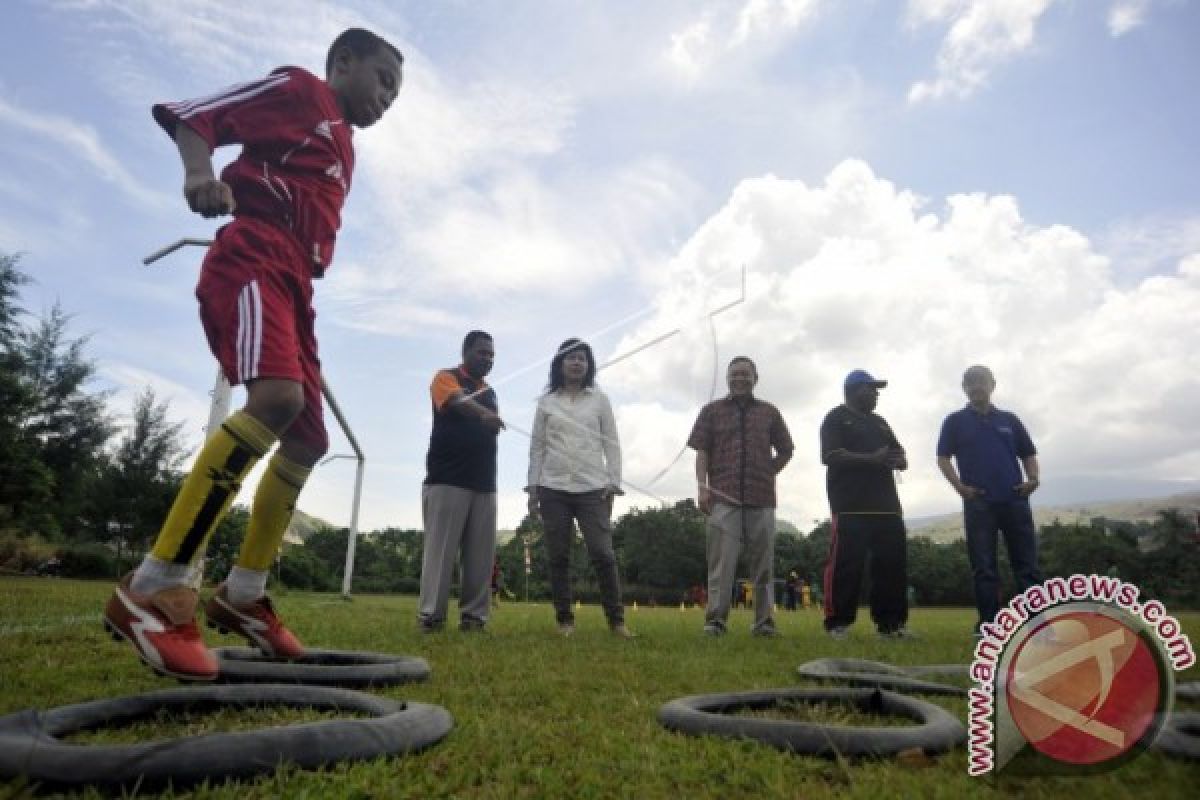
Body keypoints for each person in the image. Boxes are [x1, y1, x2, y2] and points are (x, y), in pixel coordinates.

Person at [103, 29, 404, 680]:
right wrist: (199, 174)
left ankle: (243, 597)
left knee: (308, 437)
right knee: (275, 400)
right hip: (253, 257)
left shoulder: (344, 143)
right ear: (343, 63)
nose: (388, 98)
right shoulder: (301, 90)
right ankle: (154, 586)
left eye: (396, 93)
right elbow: (197, 116)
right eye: (382, 80)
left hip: (297, 286)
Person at [527, 339, 634, 638]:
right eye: (571, 358)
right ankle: (565, 621)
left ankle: (617, 622)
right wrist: (533, 488)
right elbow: (537, 447)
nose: (576, 363)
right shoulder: (546, 402)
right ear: (559, 364)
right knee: (558, 557)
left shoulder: (600, 400)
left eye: (582, 359)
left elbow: (612, 443)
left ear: (588, 365)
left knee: (603, 554)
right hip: (552, 487)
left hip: (592, 488)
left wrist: (614, 482)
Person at [688, 356, 794, 637]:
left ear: (755, 378)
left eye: (745, 374)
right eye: (734, 374)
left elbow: (786, 448)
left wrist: (770, 470)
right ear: (727, 378)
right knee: (721, 565)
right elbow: (702, 451)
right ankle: (715, 622)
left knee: (763, 566)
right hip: (723, 497)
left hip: (762, 498)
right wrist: (702, 487)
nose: (740, 379)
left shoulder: (770, 412)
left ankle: (763, 624)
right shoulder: (711, 411)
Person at [936, 364, 1043, 635]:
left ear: (992, 384)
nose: (976, 386)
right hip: (978, 503)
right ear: (964, 388)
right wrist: (960, 488)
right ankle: (988, 625)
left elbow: (1028, 454)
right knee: (983, 566)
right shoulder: (954, 421)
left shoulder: (1009, 419)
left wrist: (1032, 479)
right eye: (970, 382)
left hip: (1015, 499)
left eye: (981, 381)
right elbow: (943, 458)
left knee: (1027, 564)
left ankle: (1037, 624)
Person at [418, 331, 504, 633]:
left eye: (492, 355)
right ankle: (431, 616)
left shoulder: (491, 391)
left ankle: (474, 618)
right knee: (441, 553)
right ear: (466, 351)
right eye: (482, 352)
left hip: (485, 483)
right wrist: (483, 415)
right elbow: (455, 400)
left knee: (480, 558)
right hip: (447, 479)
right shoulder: (445, 377)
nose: (488, 359)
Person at [820, 370, 914, 640]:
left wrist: (899, 459)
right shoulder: (836, 418)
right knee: (846, 566)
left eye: (876, 390)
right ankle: (837, 624)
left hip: (887, 506)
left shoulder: (881, 423)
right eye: (870, 389)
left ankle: (891, 624)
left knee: (892, 566)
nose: (875, 394)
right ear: (853, 389)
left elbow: (898, 451)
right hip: (850, 505)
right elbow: (830, 456)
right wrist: (872, 459)